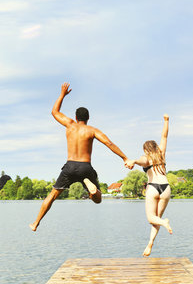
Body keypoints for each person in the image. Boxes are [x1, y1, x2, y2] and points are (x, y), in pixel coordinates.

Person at [30, 82, 128, 232]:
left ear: (76, 117)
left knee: (53, 195)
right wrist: (124, 158)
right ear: (88, 118)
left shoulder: (69, 125)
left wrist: (62, 95)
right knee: (98, 199)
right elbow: (109, 143)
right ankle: (91, 189)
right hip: (85, 167)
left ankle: (36, 222)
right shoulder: (92, 130)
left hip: (69, 166)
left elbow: (54, 112)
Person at [125, 114, 172, 256]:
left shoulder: (146, 158)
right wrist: (166, 121)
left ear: (146, 150)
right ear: (156, 147)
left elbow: (139, 161)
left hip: (153, 188)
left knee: (152, 218)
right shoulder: (161, 154)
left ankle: (165, 223)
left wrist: (133, 161)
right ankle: (150, 243)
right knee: (155, 220)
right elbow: (164, 137)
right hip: (166, 189)